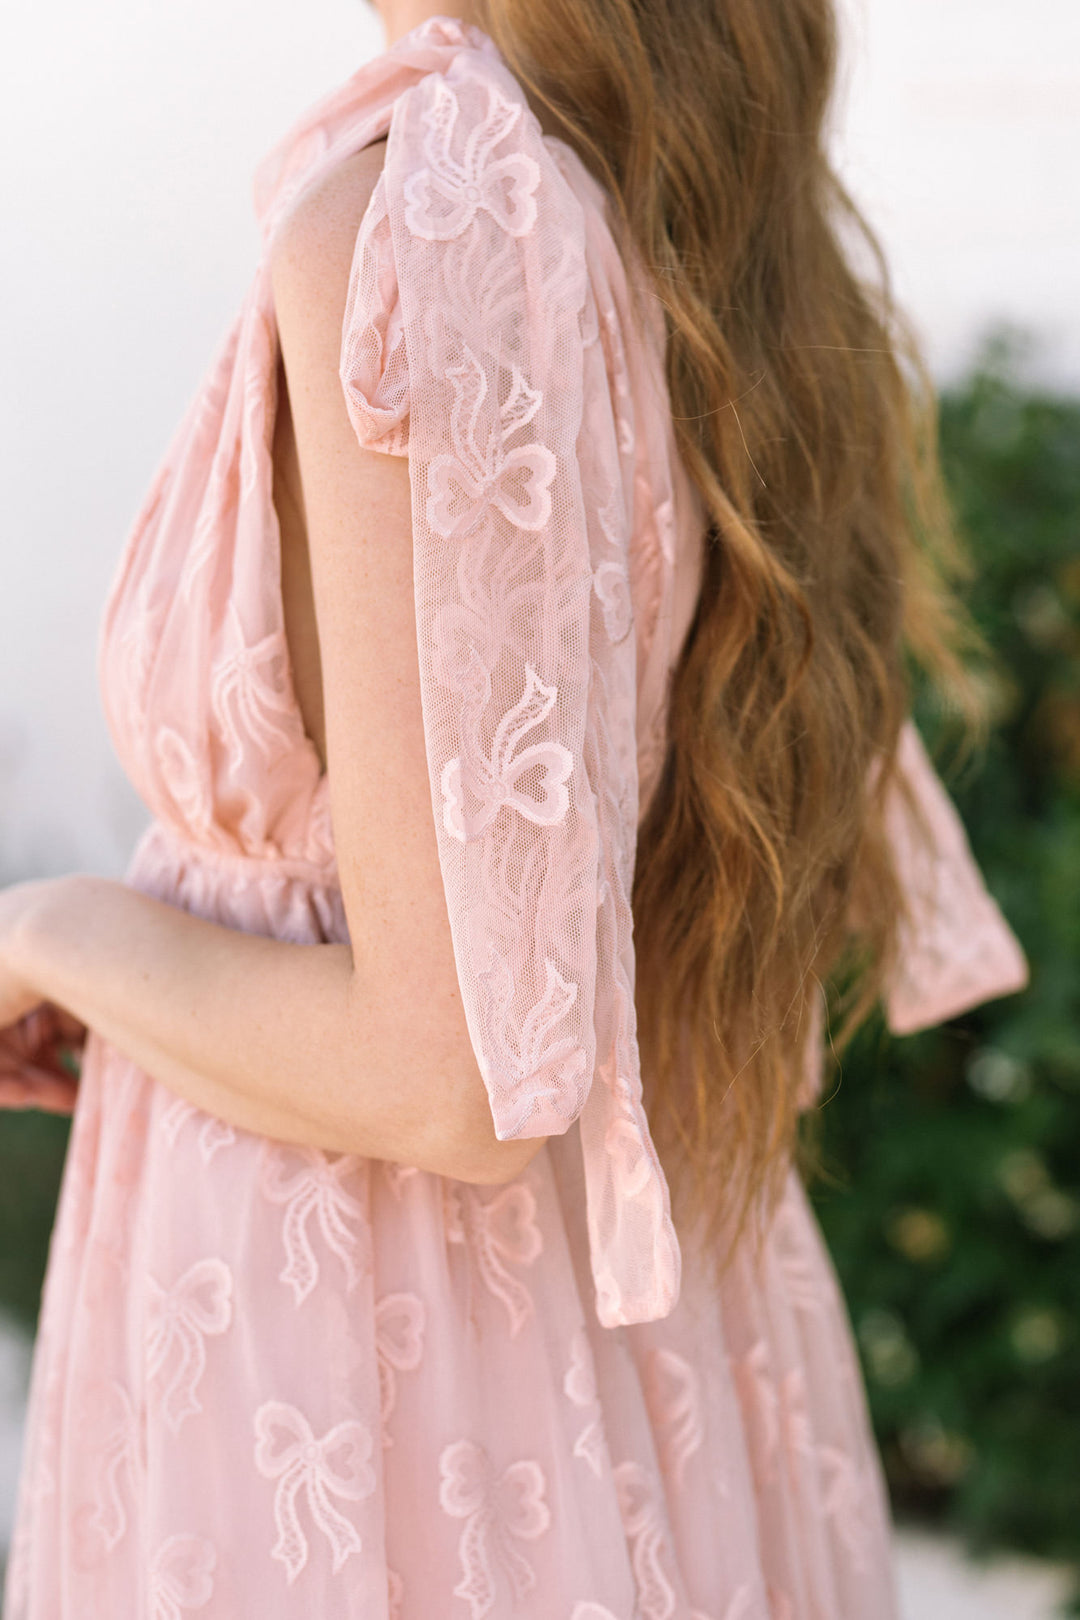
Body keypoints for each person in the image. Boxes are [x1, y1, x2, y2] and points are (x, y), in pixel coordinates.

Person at [0, 0, 1029, 1615]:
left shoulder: (425, 221)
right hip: (634, 1335)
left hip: (364, 1361)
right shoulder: (682, 188)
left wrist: (56, 935)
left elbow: (451, 1083)